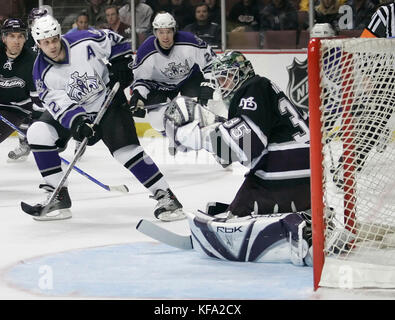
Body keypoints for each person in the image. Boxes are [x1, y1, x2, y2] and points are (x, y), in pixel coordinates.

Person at [23, 14, 185, 222]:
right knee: (38, 132)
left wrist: (122, 61)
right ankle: (58, 196)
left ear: (59, 35)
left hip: (107, 101)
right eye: (46, 43)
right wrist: (79, 123)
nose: (52, 46)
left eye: (54, 39)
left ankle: (166, 196)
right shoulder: (41, 73)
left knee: (125, 152)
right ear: (38, 44)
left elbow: (117, 41)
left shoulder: (84, 39)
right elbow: (59, 105)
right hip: (78, 110)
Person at [163, 51, 312, 265]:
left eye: (225, 77)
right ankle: (306, 218)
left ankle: (297, 234)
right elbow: (236, 149)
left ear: (241, 73)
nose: (221, 85)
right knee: (237, 205)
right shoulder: (260, 88)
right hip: (303, 171)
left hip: (283, 172)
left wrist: (197, 136)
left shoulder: (252, 88)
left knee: (235, 220)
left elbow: (246, 144)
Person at [129, 12, 217, 137]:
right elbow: (141, 80)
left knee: (205, 106)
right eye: (161, 32)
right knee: (157, 122)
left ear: (174, 31)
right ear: (155, 33)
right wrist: (139, 96)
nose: (165, 37)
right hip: (161, 86)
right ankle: (174, 135)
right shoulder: (145, 51)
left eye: (169, 32)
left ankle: (203, 132)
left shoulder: (190, 41)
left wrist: (209, 83)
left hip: (189, 79)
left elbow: (212, 63)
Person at [0, 18, 43, 162]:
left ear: (25, 39)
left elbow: (37, 102)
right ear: (4, 38)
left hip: (16, 110)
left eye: (20, 36)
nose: (16, 41)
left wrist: (35, 129)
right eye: (12, 36)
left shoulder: (33, 62)